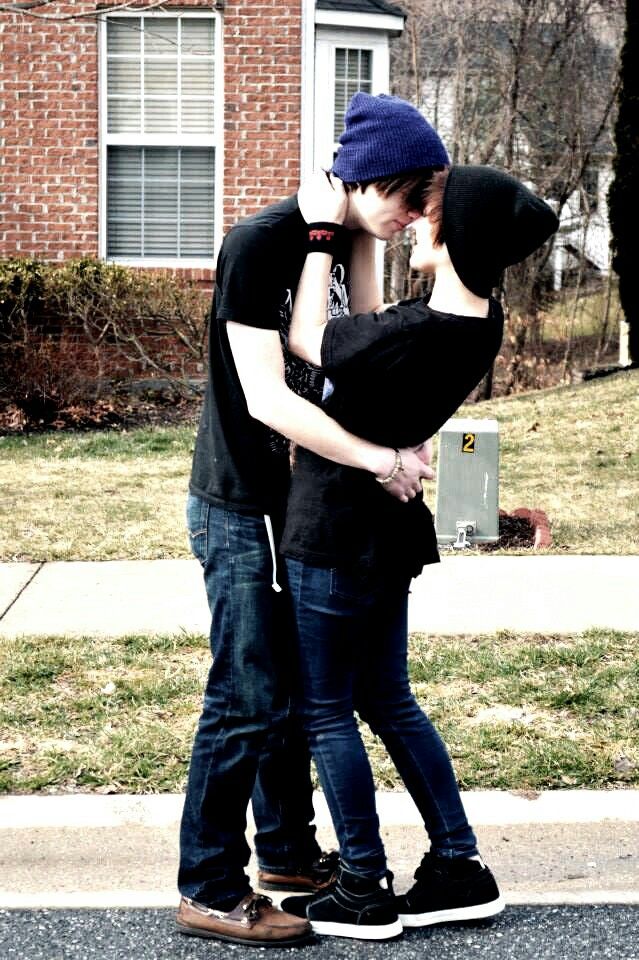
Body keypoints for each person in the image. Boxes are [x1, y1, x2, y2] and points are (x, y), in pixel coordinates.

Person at [176, 93, 451, 946]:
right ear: (369, 181)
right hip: (240, 503)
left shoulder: (348, 238)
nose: (412, 223)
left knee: (297, 693)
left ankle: (288, 859)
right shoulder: (258, 245)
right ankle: (209, 887)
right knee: (247, 697)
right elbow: (267, 397)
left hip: (300, 507)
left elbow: (356, 343)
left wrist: (350, 237)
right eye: (408, 203)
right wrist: (377, 460)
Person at [277, 164, 559, 940]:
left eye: (427, 212)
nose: (414, 219)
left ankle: (363, 885)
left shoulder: (414, 332)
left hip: (334, 531)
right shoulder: (477, 321)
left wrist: (321, 234)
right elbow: (369, 332)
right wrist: (362, 240)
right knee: (388, 701)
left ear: (452, 233)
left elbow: (309, 339)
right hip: (387, 537)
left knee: (328, 708)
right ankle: (457, 867)